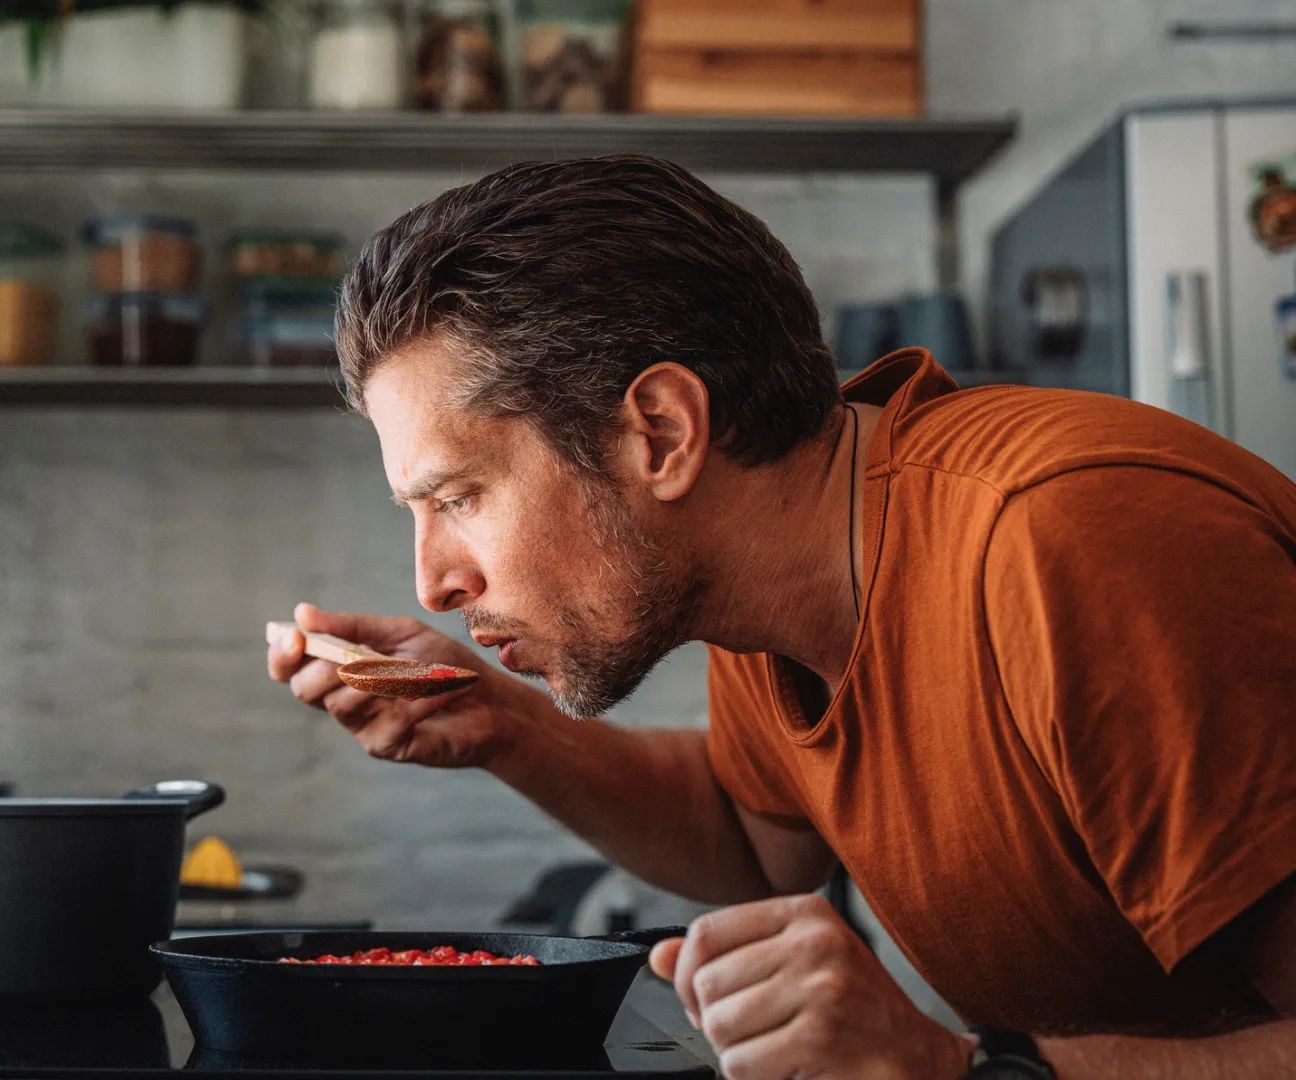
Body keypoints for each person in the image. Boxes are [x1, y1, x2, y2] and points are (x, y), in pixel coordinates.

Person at [267, 155, 1296, 1080]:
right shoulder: (766, 581)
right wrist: (505, 726)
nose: (433, 583)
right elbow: (758, 846)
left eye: (458, 498)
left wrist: (960, 1072)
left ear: (660, 435)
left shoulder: (1072, 544)